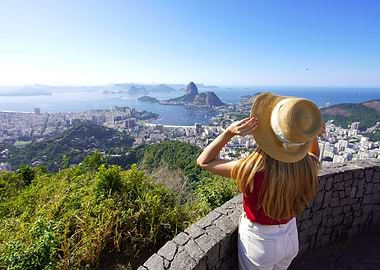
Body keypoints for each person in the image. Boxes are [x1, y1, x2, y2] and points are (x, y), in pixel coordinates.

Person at [197, 92, 324, 270]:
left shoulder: (252, 169)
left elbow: (204, 161)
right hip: (290, 236)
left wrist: (229, 132)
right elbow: (314, 154)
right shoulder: (308, 166)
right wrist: (308, 133)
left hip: (260, 242)